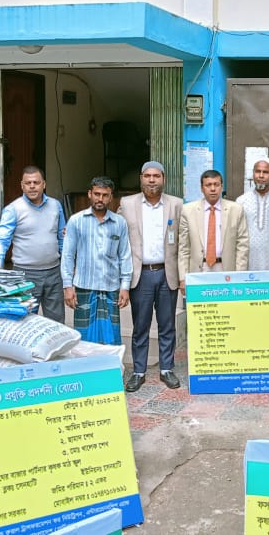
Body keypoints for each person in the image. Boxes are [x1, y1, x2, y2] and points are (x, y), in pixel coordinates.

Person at [118, 162, 183, 393]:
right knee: (140, 326)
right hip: (141, 274)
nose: (152, 180)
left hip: (167, 273)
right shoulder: (127, 204)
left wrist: (183, 275)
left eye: (156, 176)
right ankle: (138, 371)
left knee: (167, 325)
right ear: (141, 178)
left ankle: (167, 368)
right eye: (147, 176)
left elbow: (183, 240)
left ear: (163, 178)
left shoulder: (176, 204)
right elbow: (116, 233)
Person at [0, 166, 67, 321]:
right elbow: (2, 241)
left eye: (36, 182)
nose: (32, 186)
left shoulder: (55, 205)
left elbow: (62, 239)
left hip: (53, 273)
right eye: (28, 183)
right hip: (25, 275)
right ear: (22, 185)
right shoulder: (13, 209)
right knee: (24, 321)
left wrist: (67, 269)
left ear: (44, 184)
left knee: (56, 322)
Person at [62, 177, 131, 347]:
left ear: (111, 197)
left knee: (111, 338)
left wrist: (125, 286)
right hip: (84, 286)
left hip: (111, 287)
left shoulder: (119, 223)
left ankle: (110, 364)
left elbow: (125, 255)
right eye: (97, 194)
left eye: (105, 195)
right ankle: (87, 365)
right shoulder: (76, 221)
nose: (100, 199)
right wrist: (67, 286)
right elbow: (68, 255)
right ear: (89, 194)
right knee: (84, 339)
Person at [178, 170, 249, 280]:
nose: (212, 189)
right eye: (208, 185)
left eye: (216, 184)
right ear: (202, 188)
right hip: (199, 270)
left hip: (226, 269)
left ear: (222, 187)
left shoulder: (236, 210)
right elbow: (184, 248)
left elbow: (242, 245)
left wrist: (240, 275)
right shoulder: (188, 211)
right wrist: (183, 278)